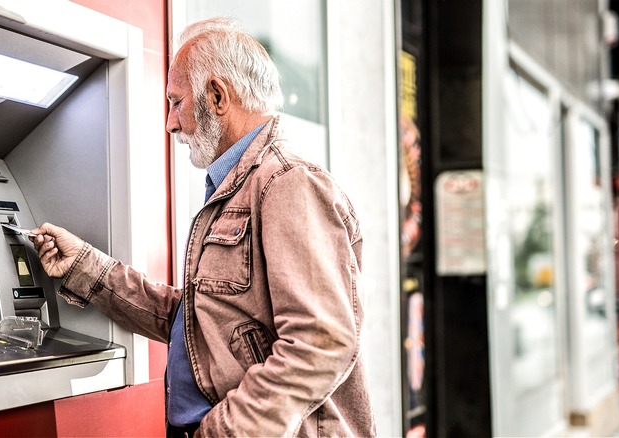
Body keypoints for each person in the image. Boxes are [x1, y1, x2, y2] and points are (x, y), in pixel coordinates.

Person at [31, 17, 376, 438]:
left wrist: (223, 431)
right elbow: (197, 320)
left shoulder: (287, 184)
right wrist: (83, 266)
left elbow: (322, 343)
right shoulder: (236, 189)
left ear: (216, 96)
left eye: (176, 103)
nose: (171, 123)